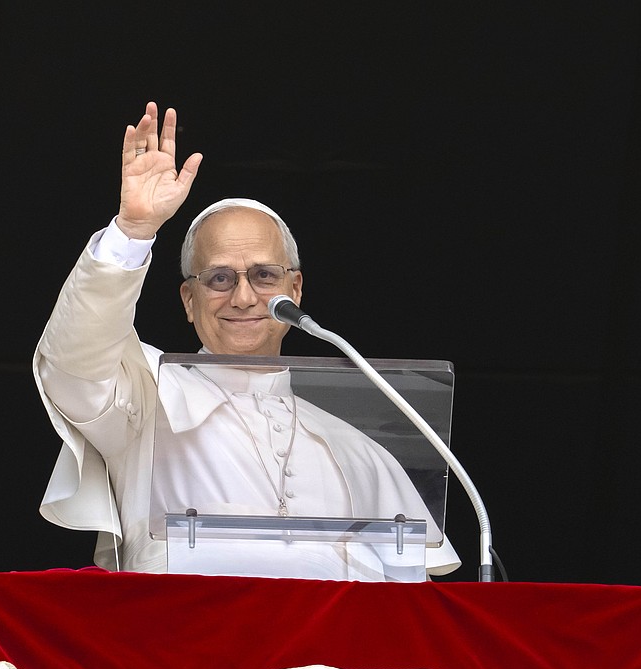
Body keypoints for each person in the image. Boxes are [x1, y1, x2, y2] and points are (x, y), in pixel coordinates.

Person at [34, 101, 459, 578]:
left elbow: (410, 595)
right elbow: (74, 363)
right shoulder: (144, 398)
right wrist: (133, 231)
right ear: (188, 300)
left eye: (263, 275)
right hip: (184, 644)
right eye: (218, 278)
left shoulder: (357, 447)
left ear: (294, 290)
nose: (242, 297)